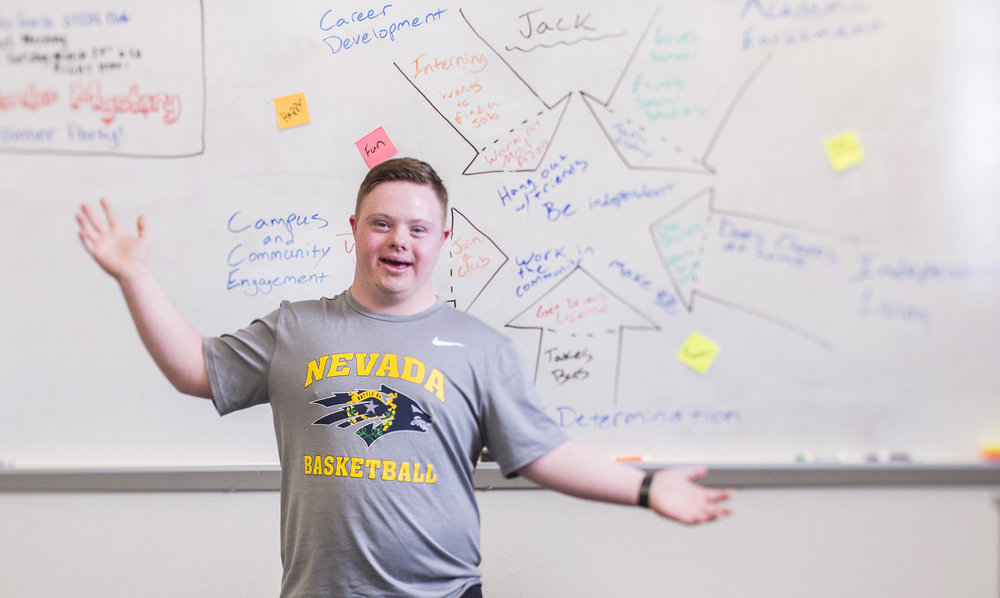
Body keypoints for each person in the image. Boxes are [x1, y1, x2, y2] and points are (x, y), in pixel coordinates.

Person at [76, 157, 731, 598]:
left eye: (418, 227)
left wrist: (645, 490)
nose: (399, 240)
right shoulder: (297, 330)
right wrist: (136, 277)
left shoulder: (478, 348)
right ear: (354, 231)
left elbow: (543, 453)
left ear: (443, 239)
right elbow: (196, 369)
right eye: (382, 223)